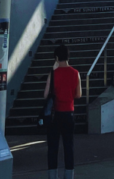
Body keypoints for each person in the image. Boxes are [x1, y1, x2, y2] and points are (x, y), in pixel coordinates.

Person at [43, 43, 80, 179]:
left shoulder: (53, 73)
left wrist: (53, 72)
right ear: (68, 57)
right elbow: (78, 94)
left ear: (56, 58)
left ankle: (53, 175)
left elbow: (45, 94)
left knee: (53, 147)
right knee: (68, 147)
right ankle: (69, 175)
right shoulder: (75, 73)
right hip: (69, 114)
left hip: (55, 115)